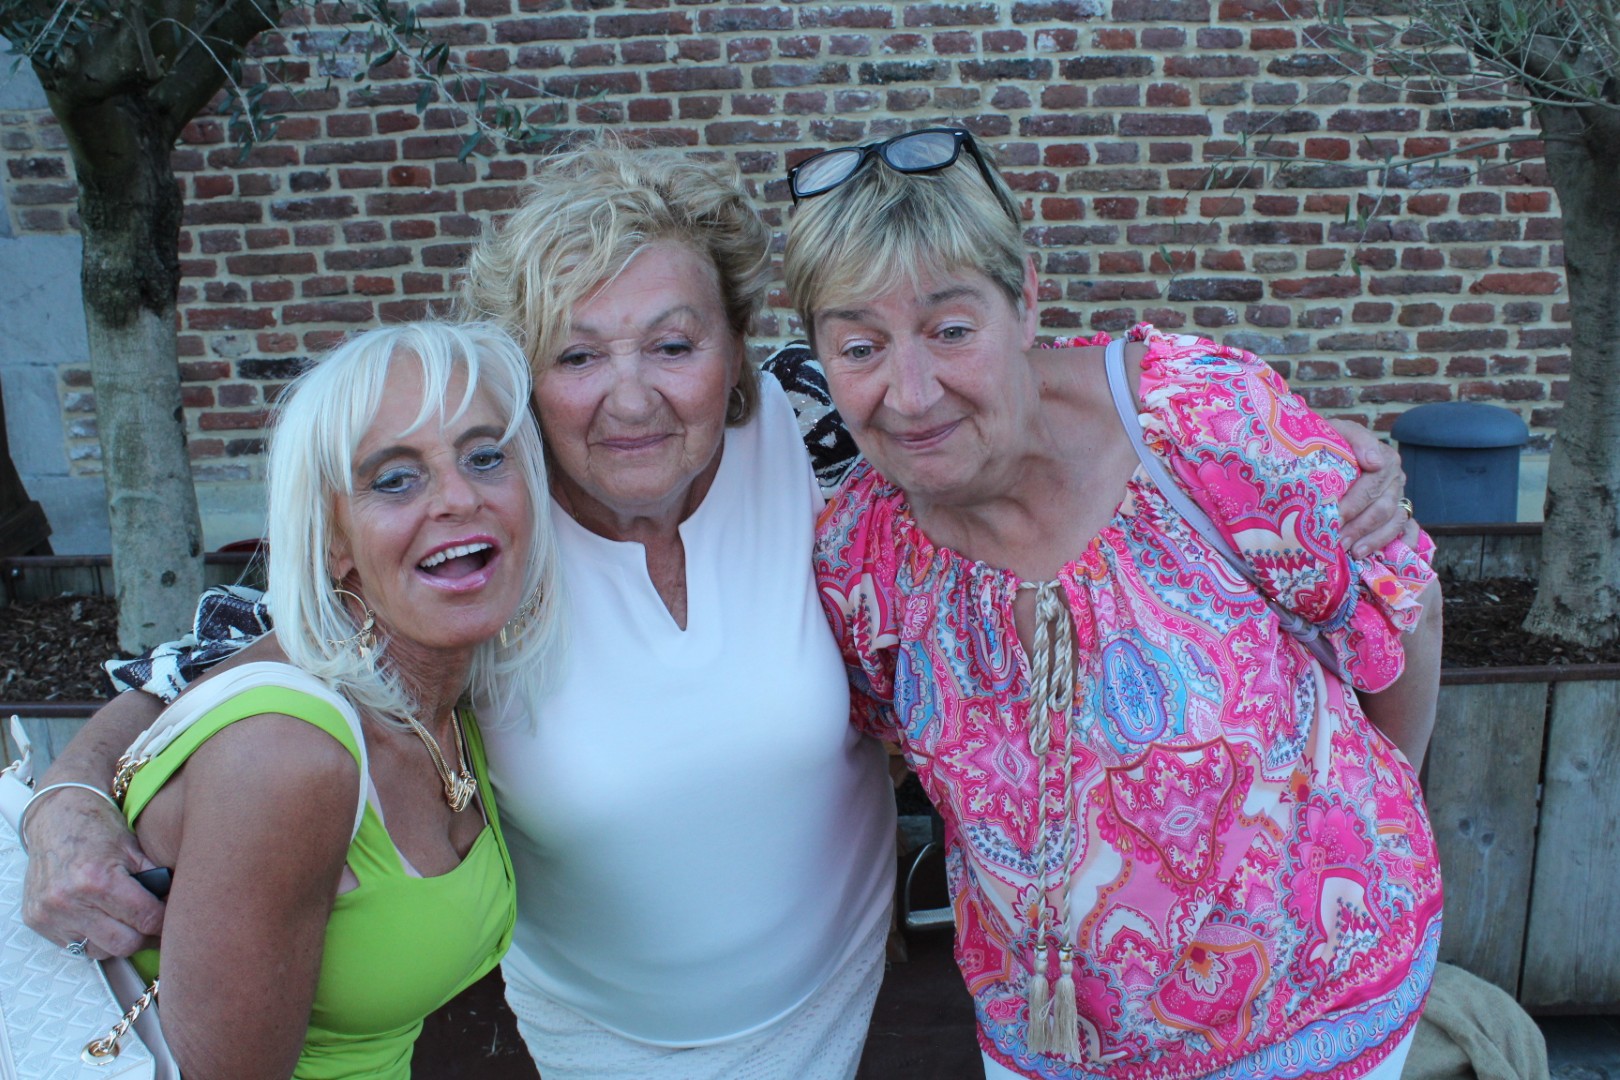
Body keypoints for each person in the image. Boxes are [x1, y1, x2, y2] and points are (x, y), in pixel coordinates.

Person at [22, 137, 1413, 1080]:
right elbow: (237, 657)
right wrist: (70, 795)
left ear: (742, 351)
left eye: (673, 344)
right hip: (608, 1040)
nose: (630, 396)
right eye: (576, 355)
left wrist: (1307, 453)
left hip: (855, 1001)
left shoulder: (817, 435)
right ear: (524, 377)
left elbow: (986, 378)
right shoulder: (487, 518)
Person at [782, 127, 1444, 1079]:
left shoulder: (1198, 424)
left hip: (1317, 1015)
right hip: (1049, 1041)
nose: (912, 393)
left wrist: (1371, 814)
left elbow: (1403, 611)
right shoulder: (860, 555)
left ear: (1025, 301)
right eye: (860, 346)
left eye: (952, 329)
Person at [18, 321, 563, 1078]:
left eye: (484, 456)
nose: (459, 497)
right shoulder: (287, 758)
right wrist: (66, 796)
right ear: (331, 540)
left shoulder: (454, 684)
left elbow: (178, 673)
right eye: (393, 478)